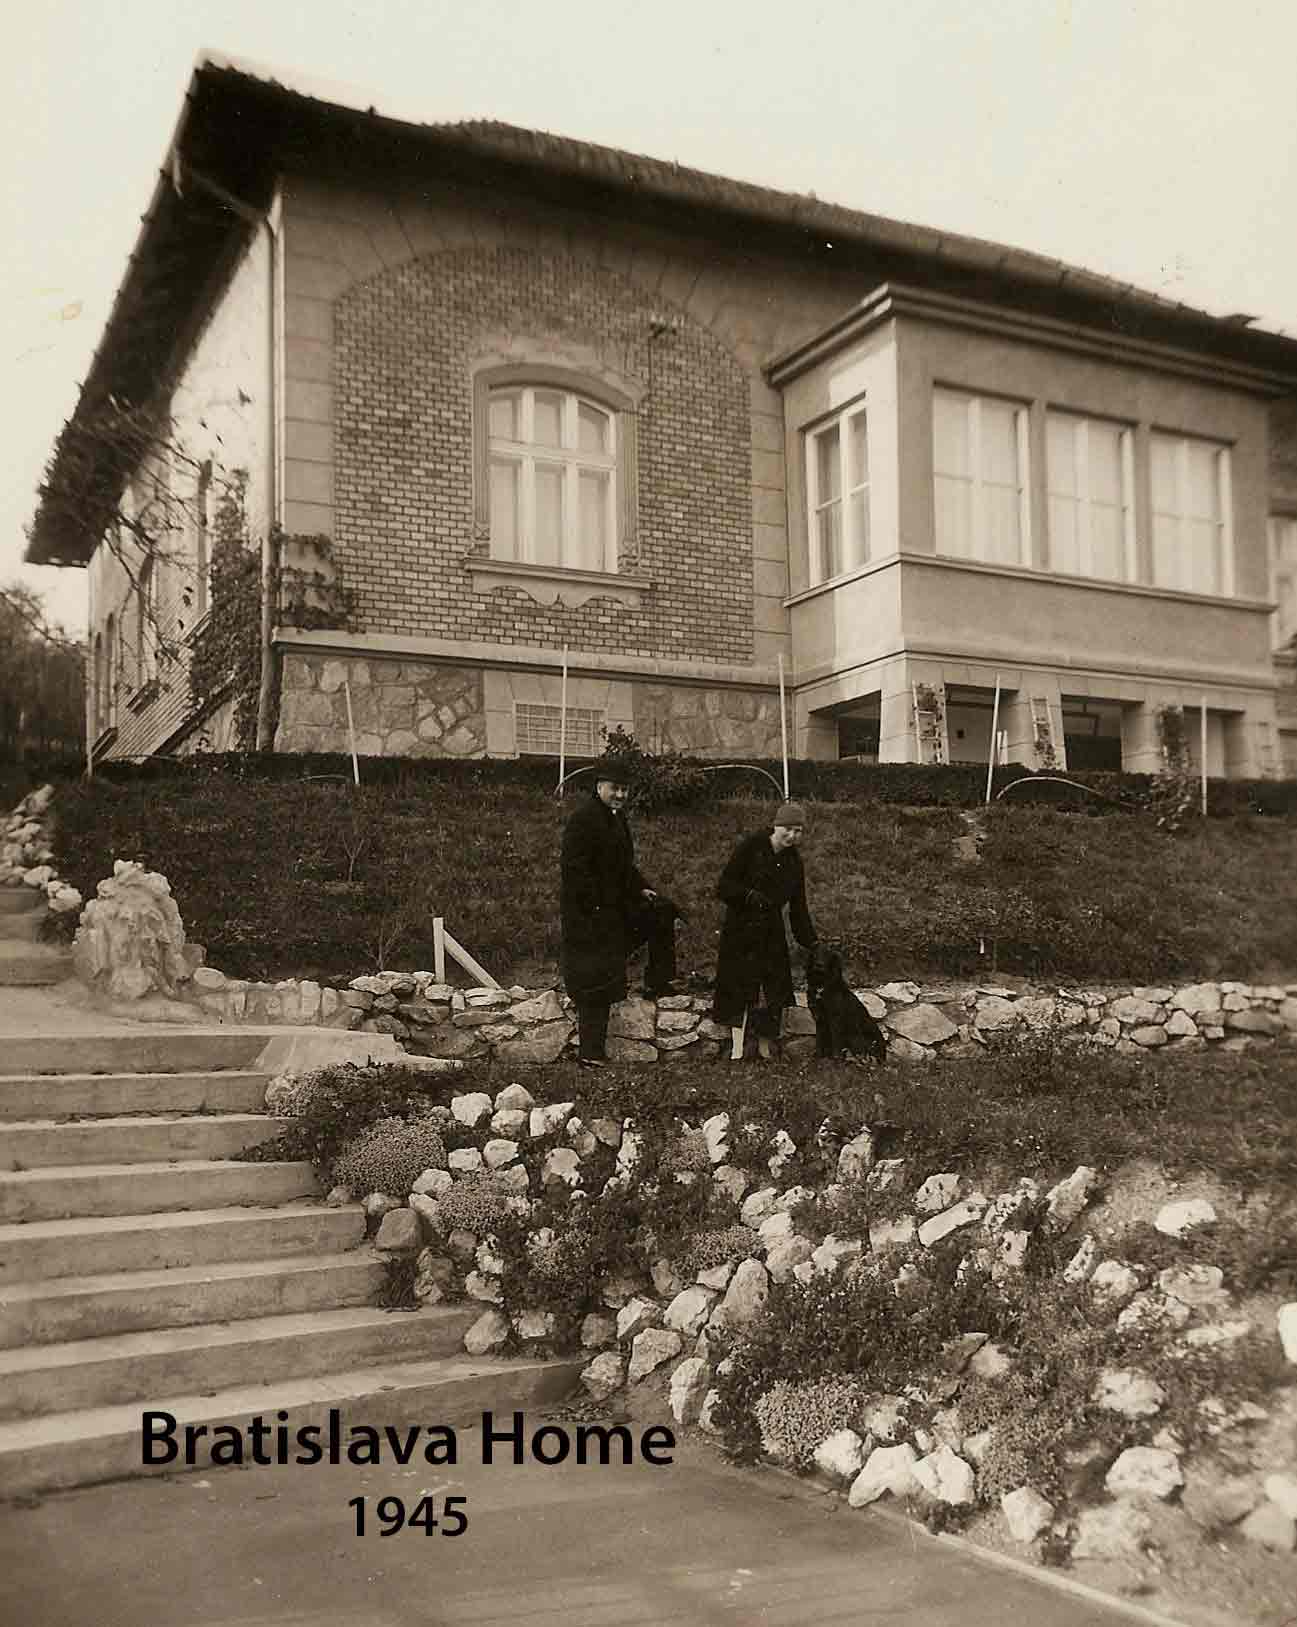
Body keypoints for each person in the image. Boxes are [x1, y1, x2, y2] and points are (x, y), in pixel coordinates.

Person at [560, 758, 683, 1068]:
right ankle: (591, 1053)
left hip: (615, 908)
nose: (620, 795)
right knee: (597, 979)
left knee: (662, 911)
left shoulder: (618, 819)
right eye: (615, 788)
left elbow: (625, 868)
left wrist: (642, 888)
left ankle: (658, 981)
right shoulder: (583, 820)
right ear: (599, 787)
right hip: (587, 916)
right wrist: (599, 909)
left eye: (625, 790)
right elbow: (575, 873)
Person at [711, 801, 817, 1062]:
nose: (793, 836)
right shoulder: (752, 847)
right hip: (740, 927)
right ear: (776, 826)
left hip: (771, 930)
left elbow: (798, 907)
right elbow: (723, 886)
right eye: (788, 830)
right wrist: (748, 896)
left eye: (799, 831)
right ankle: (736, 1049)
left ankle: (764, 1046)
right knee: (739, 986)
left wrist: (811, 942)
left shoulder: (794, 863)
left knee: (773, 988)